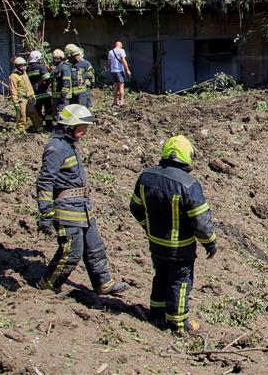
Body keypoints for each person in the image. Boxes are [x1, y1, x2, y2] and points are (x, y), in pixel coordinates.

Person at [35, 104, 128, 296]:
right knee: (72, 251)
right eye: (82, 127)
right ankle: (48, 284)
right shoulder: (55, 149)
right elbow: (45, 182)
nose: (86, 132)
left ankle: (103, 282)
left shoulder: (69, 146)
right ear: (70, 126)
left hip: (83, 208)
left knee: (95, 247)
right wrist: (46, 211)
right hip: (67, 210)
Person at [130, 135, 216, 335]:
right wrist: (210, 244)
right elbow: (201, 222)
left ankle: (156, 313)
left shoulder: (146, 176)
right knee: (181, 280)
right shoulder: (188, 184)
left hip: (155, 243)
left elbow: (135, 207)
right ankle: (178, 324)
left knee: (160, 275)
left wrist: (147, 227)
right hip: (179, 246)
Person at [9, 57, 41, 133]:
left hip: (28, 98)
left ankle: (39, 129)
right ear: (17, 66)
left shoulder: (25, 74)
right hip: (21, 99)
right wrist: (15, 102)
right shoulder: (13, 77)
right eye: (21, 66)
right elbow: (13, 90)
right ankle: (21, 131)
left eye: (24, 65)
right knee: (22, 116)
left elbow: (29, 86)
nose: (24, 67)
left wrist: (33, 96)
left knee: (34, 114)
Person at [27, 50, 53, 131]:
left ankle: (39, 126)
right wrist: (47, 84)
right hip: (45, 93)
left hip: (35, 94)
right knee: (48, 110)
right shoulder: (41, 67)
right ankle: (49, 126)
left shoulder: (28, 69)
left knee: (37, 110)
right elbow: (47, 77)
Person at [65, 44, 94, 108]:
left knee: (82, 108)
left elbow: (91, 75)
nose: (79, 56)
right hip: (70, 93)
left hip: (82, 92)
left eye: (79, 54)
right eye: (76, 55)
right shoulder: (65, 65)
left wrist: (88, 84)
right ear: (70, 55)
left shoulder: (85, 64)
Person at [49, 48, 72, 119]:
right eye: (54, 58)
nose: (55, 59)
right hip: (56, 95)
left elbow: (66, 82)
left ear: (61, 57)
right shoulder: (55, 67)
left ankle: (64, 128)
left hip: (63, 96)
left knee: (62, 113)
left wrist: (64, 95)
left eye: (57, 58)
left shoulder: (64, 67)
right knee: (56, 114)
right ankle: (59, 128)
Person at [108, 41, 131, 107]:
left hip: (113, 71)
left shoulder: (110, 51)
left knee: (115, 86)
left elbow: (109, 62)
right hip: (119, 71)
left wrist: (113, 67)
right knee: (121, 86)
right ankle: (121, 102)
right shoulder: (121, 50)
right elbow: (123, 61)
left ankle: (115, 101)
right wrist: (127, 70)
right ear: (120, 45)